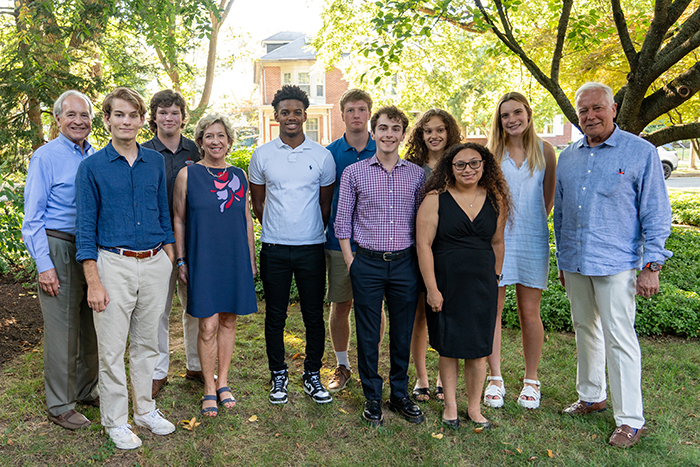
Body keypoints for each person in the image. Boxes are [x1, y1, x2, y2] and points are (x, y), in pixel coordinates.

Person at [554, 82, 672, 448]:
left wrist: (651, 265)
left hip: (617, 263)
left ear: (614, 108)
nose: (590, 116)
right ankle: (592, 396)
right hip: (576, 262)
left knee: (620, 339)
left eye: (597, 108)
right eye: (583, 111)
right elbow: (560, 213)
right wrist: (562, 259)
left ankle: (630, 420)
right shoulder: (568, 157)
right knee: (585, 329)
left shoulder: (640, 152)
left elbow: (655, 211)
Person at [75, 87, 176, 449]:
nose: (126, 121)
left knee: (148, 344)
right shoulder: (92, 168)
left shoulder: (154, 163)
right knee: (113, 349)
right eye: (119, 114)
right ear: (107, 119)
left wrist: (168, 259)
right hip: (112, 264)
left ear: (141, 120)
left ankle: (145, 409)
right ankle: (116, 420)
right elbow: (84, 228)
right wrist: (93, 281)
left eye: (133, 115)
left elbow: (163, 215)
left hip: (153, 263)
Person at [335, 106, 426, 427]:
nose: (389, 134)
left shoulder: (416, 175)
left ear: (403, 134)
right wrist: (351, 261)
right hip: (367, 265)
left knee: (402, 332)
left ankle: (399, 393)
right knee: (369, 334)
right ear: (373, 133)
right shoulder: (355, 173)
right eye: (383, 128)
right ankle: (372, 396)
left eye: (396, 129)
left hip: (404, 264)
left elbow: (422, 223)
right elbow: (342, 222)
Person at [249, 85, 336, 405]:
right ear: (276, 116)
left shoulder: (322, 156)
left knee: (313, 314)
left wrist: (307, 229)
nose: (291, 117)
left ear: (304, 115)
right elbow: (258, 203)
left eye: (297, 111)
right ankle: (278, 375)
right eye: (285, 111)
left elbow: (325, 205)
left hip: (312, 247)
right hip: (274, 248)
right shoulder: (262, 154)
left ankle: (313, 374)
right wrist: (278, 228)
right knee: (275, 316)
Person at [416, 143, 510, 430]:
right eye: (460, 164)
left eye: (474, 163)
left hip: (482, 283)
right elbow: (423, 245)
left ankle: (474, 407)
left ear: (484, 165)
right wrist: (431, 288)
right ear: (450, 167)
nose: (467, 169)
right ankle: (450, 406)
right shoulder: (435, 198)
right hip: (446, 283)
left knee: (479, 349)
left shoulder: (495, 199)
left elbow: (497, 242)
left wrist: (495, 278)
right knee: (449, 346)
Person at [22, 90, 99, 430]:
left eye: (84, 115)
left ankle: (86, 388)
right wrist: (44, 265)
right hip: (58, 246)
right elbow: (32, 218)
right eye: (71, 115)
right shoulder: (46, 157)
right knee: (62, 329)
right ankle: (60, 403)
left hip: (90, 249)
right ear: (57, 119)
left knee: (90, 324)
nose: (78, 121)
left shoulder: (96, 155)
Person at [173, 113, 257, 417]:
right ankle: (208, 386)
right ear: (200, 142)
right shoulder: (188, 175)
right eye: (209, 136)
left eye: (221, 135)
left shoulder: (240, 175)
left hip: (234, 256)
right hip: (202, 256)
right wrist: (181, 259)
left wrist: (250, 259)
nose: (216, 141)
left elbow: (246, 219)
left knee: (229, 321)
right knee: (207, 324)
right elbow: (179, 220)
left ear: (229, 141)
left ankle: (224, 382)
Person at [483, 92, 556, 409]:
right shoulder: (491, 154)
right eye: (504, 115)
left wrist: (530, 224)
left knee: (529, 313)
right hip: (496, 240)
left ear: (528, 113)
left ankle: (531, 380)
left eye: (517, 112)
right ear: (498, 121)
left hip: (532, 239)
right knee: (492, 313)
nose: (511, 119)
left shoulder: (546, 151)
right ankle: (495, 379)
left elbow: (547, 199)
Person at [324, 88, 386, 392]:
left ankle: (370, 364)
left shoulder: (383, 149)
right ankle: (343, 364)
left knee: (375, 307)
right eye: (350, 110)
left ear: (369, 114)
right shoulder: (330, 153)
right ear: (342, 114)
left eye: (362, 109)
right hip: (339, 244)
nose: (356, 115)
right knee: (341, 303)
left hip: (377, 244)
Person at [142, 89, 202, 398]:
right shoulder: (142, 152)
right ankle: (158, 370)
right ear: (154, 117)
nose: (169, 117)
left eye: (175, 112)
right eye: (163, 112)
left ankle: (196, 364)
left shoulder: (195, 149)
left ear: (182, 117)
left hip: (193, 240)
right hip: (156, 242)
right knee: (158, 310)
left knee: (195, 306)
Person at [404, 108, 462, 402]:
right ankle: (422, 378)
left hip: (449, 249)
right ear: (420, 135)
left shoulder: (459, 164)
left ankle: (443, 377)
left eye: (439, 130)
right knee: (419, 317)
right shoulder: (412, 167)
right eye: (428, 131)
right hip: (417, 248)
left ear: (449, 132)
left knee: (446, 313)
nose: (434, 136)